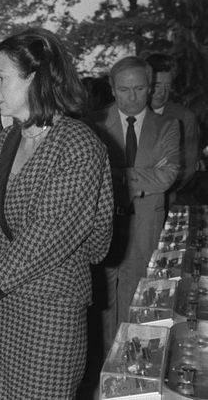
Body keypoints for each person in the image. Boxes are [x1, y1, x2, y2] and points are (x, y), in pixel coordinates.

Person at [0, 27, 114, 399]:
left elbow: (51, 232)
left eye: (2, 77)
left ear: (36, 78)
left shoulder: (77, 143)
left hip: (49, 314)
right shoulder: (11, 138)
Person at [87, 56, 179, 351]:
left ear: (150, 88)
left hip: (143, 226)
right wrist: (143, 177)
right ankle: (103, 364)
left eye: (139, 89)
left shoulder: (168, 125)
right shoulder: (94, 123)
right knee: (102, 305)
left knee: (138, 298)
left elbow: (167, 176)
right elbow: (88, 176)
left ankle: (130, 365)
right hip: (101, 227)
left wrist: (115, 175)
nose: (132, 97)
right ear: (113, 89)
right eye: (124, 90)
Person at [145, 53, 201, 206]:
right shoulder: (129, 115)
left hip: (168, 201)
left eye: (167, 86)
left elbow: (188, 167)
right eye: (157, 86)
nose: (162, 93)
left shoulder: (184, 118)